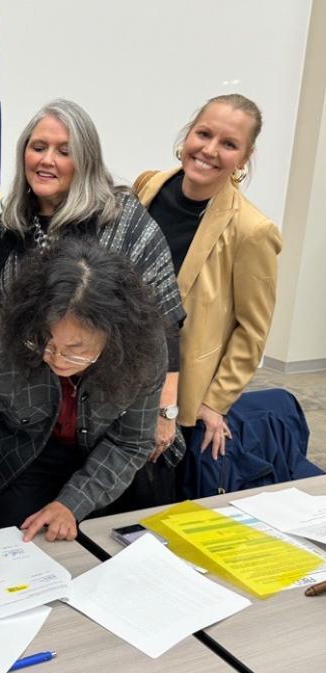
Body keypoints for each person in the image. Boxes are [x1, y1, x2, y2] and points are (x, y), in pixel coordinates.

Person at [0, 98, 186, 511]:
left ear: (86, 159)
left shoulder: (123, 220)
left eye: (64, 150)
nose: (47, 160)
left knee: (103, 548)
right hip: (30, 428)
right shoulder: (11, 225)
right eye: (38, 147)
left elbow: (164, 322)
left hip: (113, 420)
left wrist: (165, 412)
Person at [0, 238, 168, 575]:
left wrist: (73, 503)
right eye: (45, 341)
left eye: (76, 349)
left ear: (113, 336)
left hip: (105, 451)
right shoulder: (2, 341)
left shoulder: (143, 345)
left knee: (104, 566)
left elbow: (131, 442)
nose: (55, 359)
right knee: (26, 563)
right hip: (23, 455)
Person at [134, 93, 282, 466]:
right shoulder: (148, 186)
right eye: (204, 134)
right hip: (120, 374)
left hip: (178, 394)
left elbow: (253, 329)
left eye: (229, 144)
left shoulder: (252, 230)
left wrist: (215, 401)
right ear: (187, 135)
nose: (210, 150)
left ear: (244, 159)